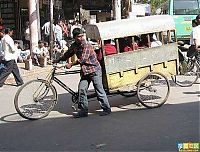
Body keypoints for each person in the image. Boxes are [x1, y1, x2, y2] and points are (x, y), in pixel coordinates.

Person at [55, 28, 111, 118]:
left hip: (94, 70)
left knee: (99, 90)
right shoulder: (75, 45)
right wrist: (58, 59)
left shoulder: (87, 45)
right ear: (74, 37)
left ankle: (106, 109)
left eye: (82, 36)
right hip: (85, 72)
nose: (81, 38)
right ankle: (83, 111)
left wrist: (71, 64)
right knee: (81, 90)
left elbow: (83, 59)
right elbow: (68, 53)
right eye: (78, 36)